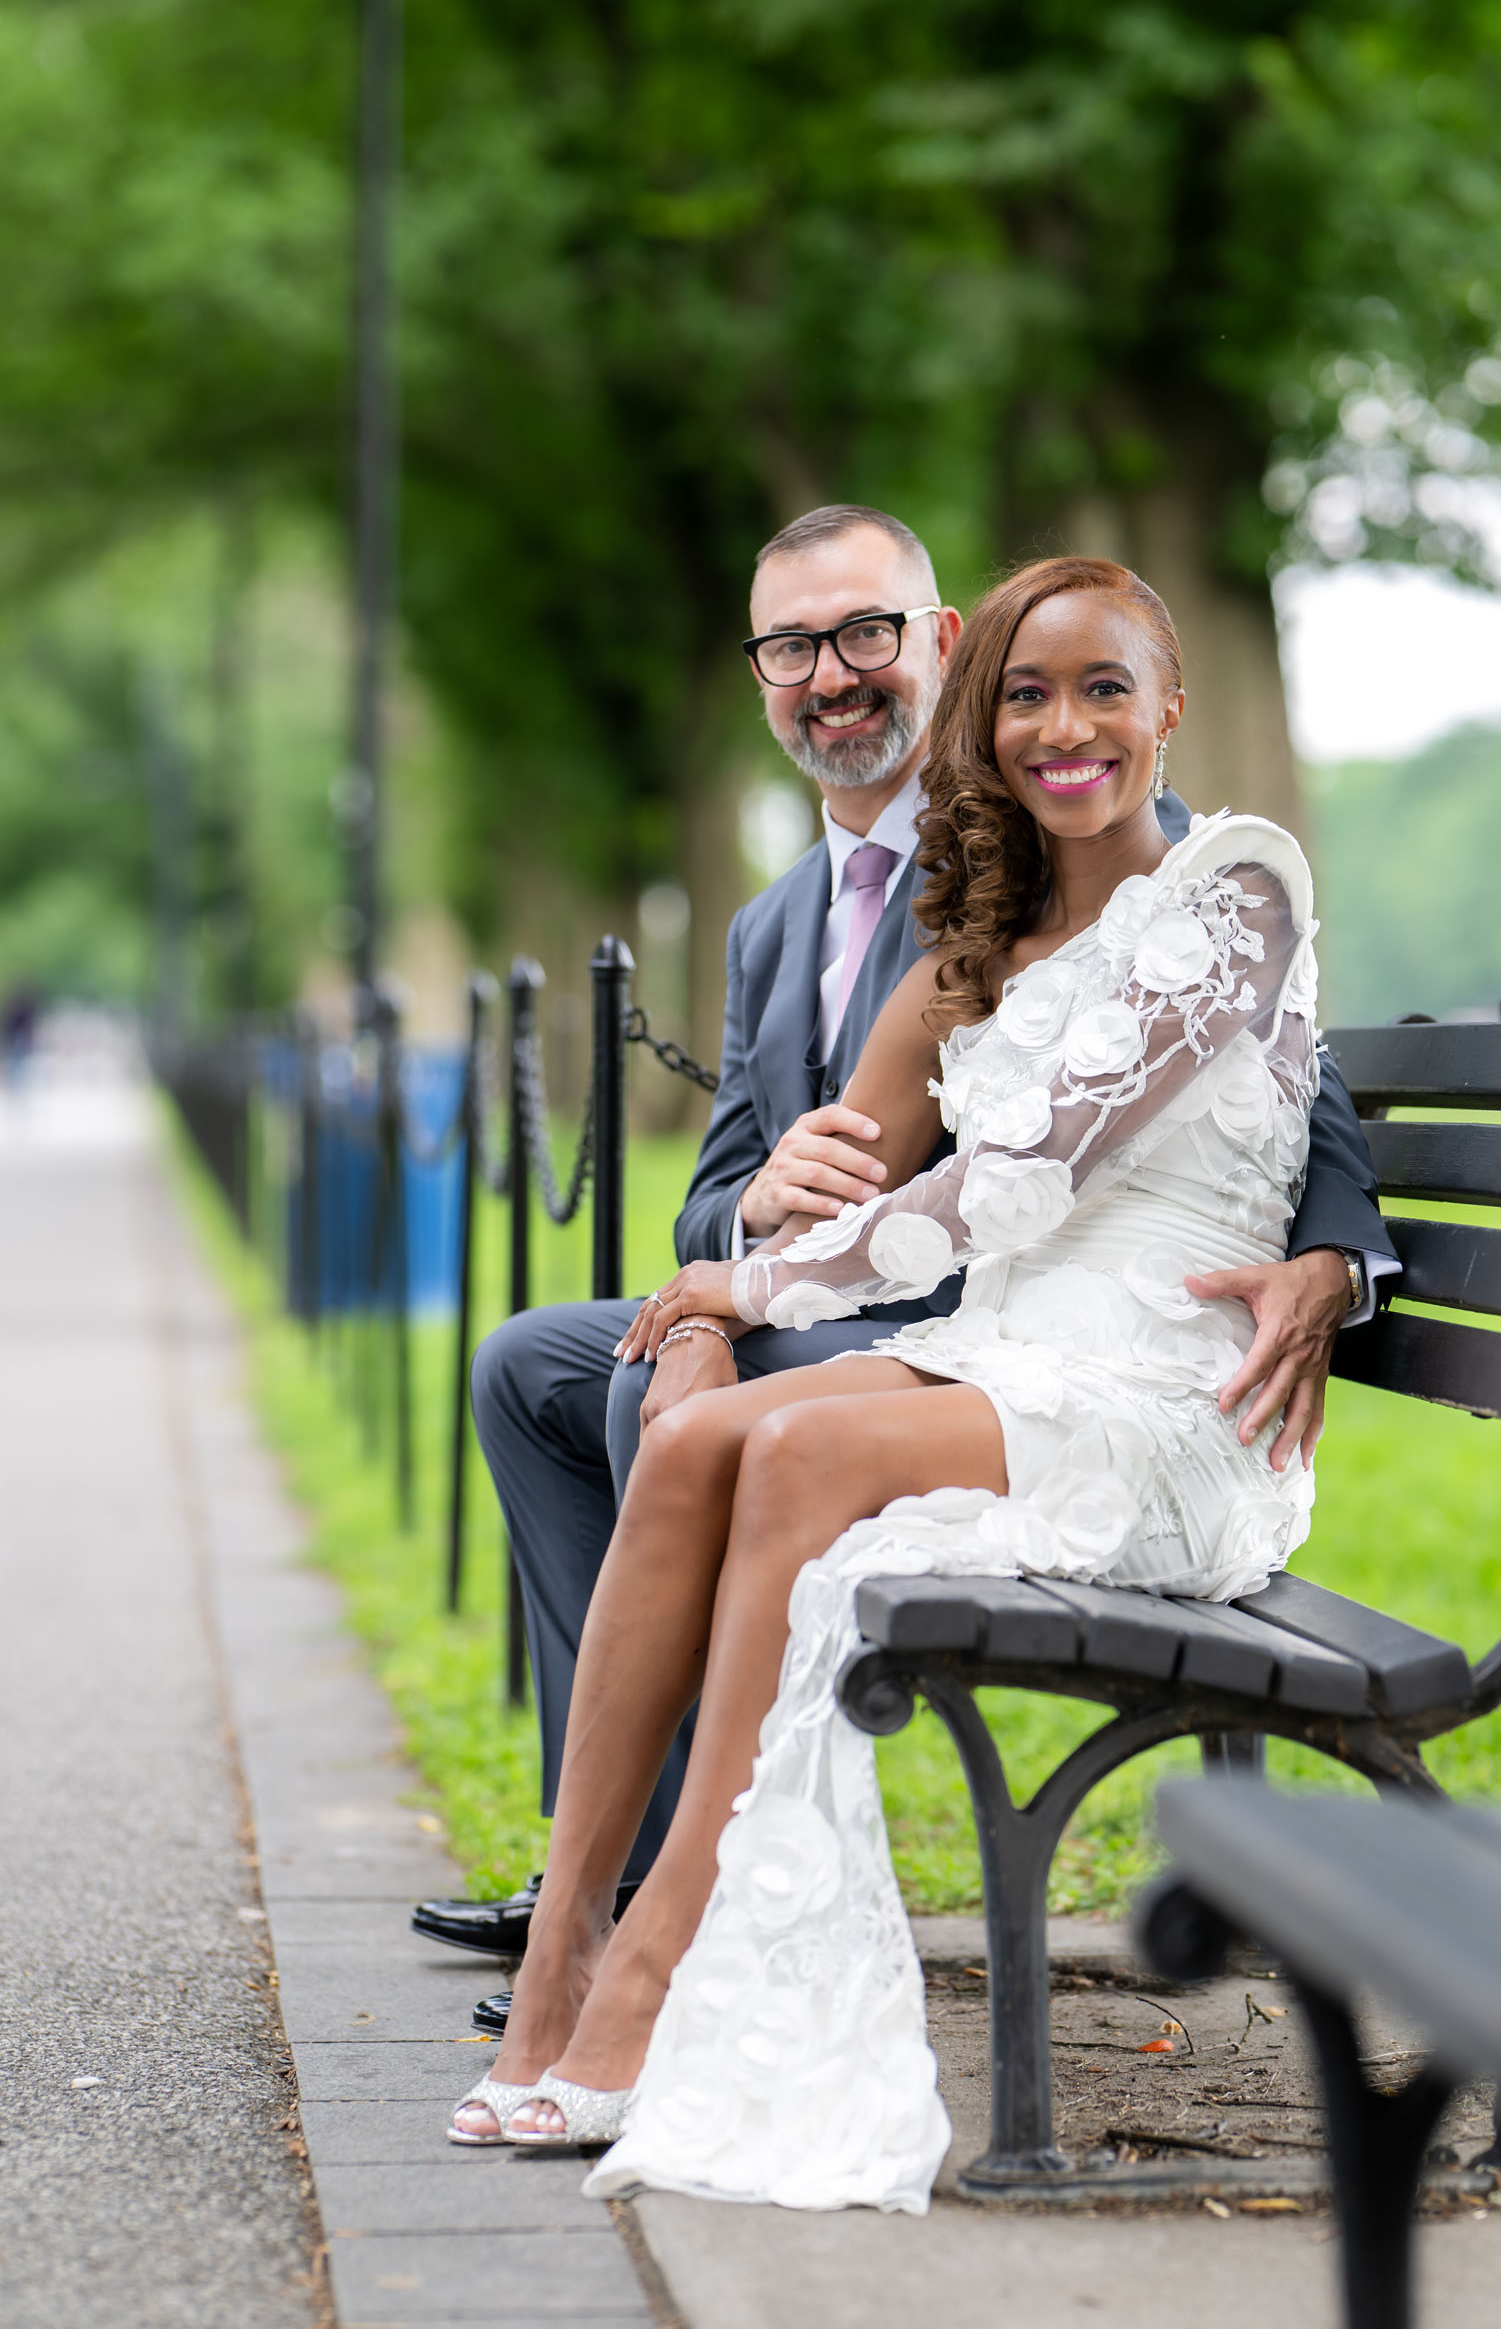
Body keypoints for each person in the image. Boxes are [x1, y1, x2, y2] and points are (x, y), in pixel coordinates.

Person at [444, 554, 1369, 2211]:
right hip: (1004, 1360)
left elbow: (1020, 1186)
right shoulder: (985, 941)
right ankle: (569, 1938)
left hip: (1173, 1407)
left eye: (1103, 688)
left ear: (1173, 706)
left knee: (790, 1450)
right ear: (983, 719)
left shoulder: (1237, 888)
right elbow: (850, 1172)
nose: (1064, 725)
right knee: (700, 1435)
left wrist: (743, 1282)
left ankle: (661, 1965)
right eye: (1027, 693)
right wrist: (731, 1262)